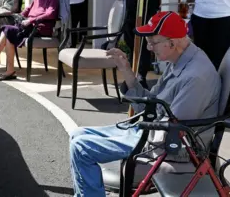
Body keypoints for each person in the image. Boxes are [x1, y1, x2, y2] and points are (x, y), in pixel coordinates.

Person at [69, 11, 221, 196]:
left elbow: (173, 131)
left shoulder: (196, 77)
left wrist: (136, 127)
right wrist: (125, 69)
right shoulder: (179, 60)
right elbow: (151, 104)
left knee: (81, 147)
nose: (149, 48)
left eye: (152, 42)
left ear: (172, 43)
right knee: (77, 134)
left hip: (171, 147)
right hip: (154, 130)